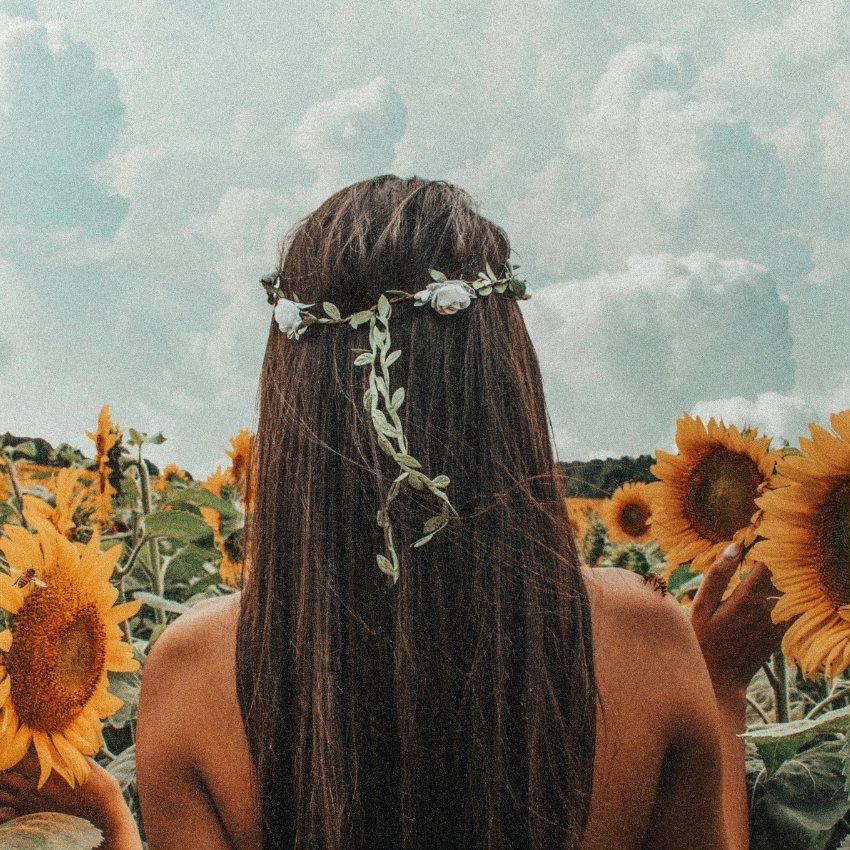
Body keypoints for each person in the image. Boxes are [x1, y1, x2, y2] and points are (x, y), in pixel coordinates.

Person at [0, 176, 789, 849]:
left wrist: (111, 817)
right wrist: (718, 689)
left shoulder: (196, 673)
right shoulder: (640, 639)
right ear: (507, 385)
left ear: (288, 399)